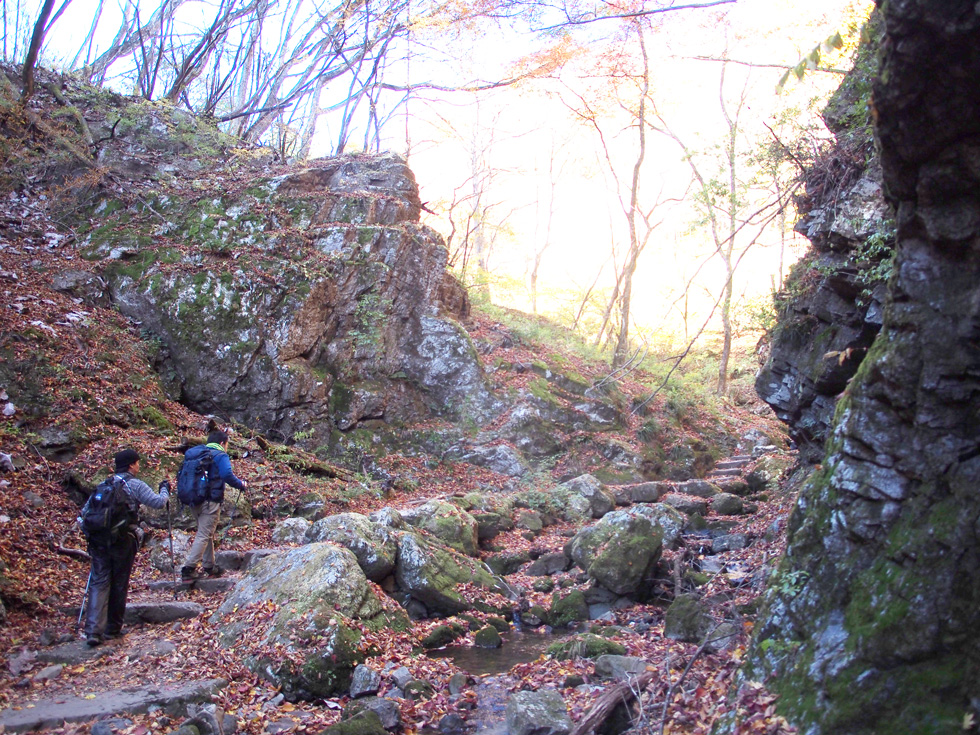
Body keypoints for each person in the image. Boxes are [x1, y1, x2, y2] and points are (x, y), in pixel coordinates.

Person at [80, 448, 169, 646]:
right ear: (130, 464)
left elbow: (84, 513)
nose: (139, 466)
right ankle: (113, 629)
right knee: (119, 582)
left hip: (99, 541)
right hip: (123, 539)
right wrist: (165, 489)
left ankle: (93, 631)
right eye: (137, 462)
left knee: (99, 581)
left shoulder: (104, 484)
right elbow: (158, 503)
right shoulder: (134, 485)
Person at [180, 429, 247, 581]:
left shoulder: (197, 454)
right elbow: (226, 475)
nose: (227, 447)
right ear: (222, 443)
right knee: (204, 534)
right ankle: (188, 568)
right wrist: (240, 484)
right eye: (227, 444)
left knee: (206, 532)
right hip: (210, 501)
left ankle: (210, 566)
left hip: (193, 498)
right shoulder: (220, 455)